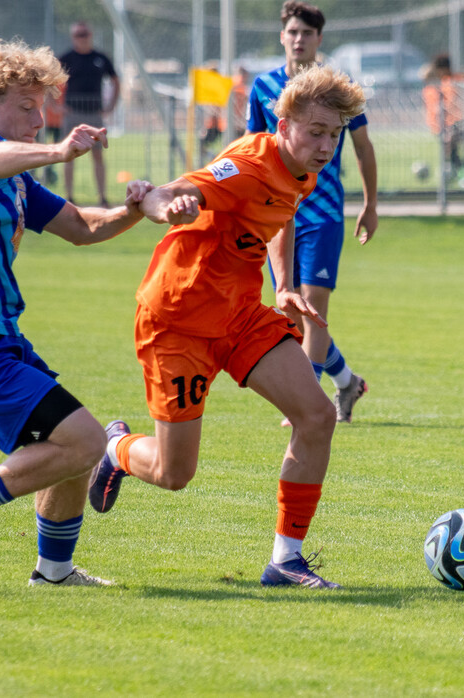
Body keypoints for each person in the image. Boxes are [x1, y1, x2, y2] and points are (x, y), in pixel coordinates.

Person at [88, 65, 367, 589]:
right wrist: (166, 205)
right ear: (283, 125)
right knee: (175, 474)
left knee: (316, 416)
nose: (327, 145)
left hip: (239, 314)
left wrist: (283, 284)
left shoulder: (303, 168)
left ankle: (286, 560)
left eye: (335, 134)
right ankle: (116, 449)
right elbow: (165, 190)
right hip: (177, 319)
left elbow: (281, 214)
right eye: (316, 132)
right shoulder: (245, 166)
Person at [0, 38, 149, 588]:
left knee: (68, 447)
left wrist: (138, 210)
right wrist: (59, 153)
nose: (38, 120)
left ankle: (54, 573)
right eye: (27, 107)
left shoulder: (17, 179)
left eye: (42, 107)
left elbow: (83, 227)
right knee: (89, 442)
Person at [245, 0, 378, 423]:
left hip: (322, 214)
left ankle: (307, 400)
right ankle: (347, 381)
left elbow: (362, 146)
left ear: (319, 39)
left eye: (307, 33)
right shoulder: (264, 87)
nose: (299, 39)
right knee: (291, 310)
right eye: (292, 32)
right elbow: (252, 148)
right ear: (282, 36)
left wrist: (371, 205)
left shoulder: (338, 91)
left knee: (314, 309)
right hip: (275, 212)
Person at [59, 22, 119, 207]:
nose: (82, 37)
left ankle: (102, 197)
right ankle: (69, 197)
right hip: (73, 113)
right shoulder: (66, 58)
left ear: (90, 35)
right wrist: (56, 105)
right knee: (67, 154)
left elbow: (116, 80)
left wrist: (111, 106)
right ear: (73, 36)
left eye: (85, 34)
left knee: (98, 155)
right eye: (78, 34)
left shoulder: (100, 57)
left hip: (94, 114)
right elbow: (48, 82)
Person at [422, 52, 464, 188]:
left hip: (463, 119)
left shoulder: (454, 81)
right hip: (455, 121)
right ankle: (461, 174)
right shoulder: (449, 82)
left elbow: (454, 102)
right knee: (453, 147)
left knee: (457, 145)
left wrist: (443, 110)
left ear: (443, 69)